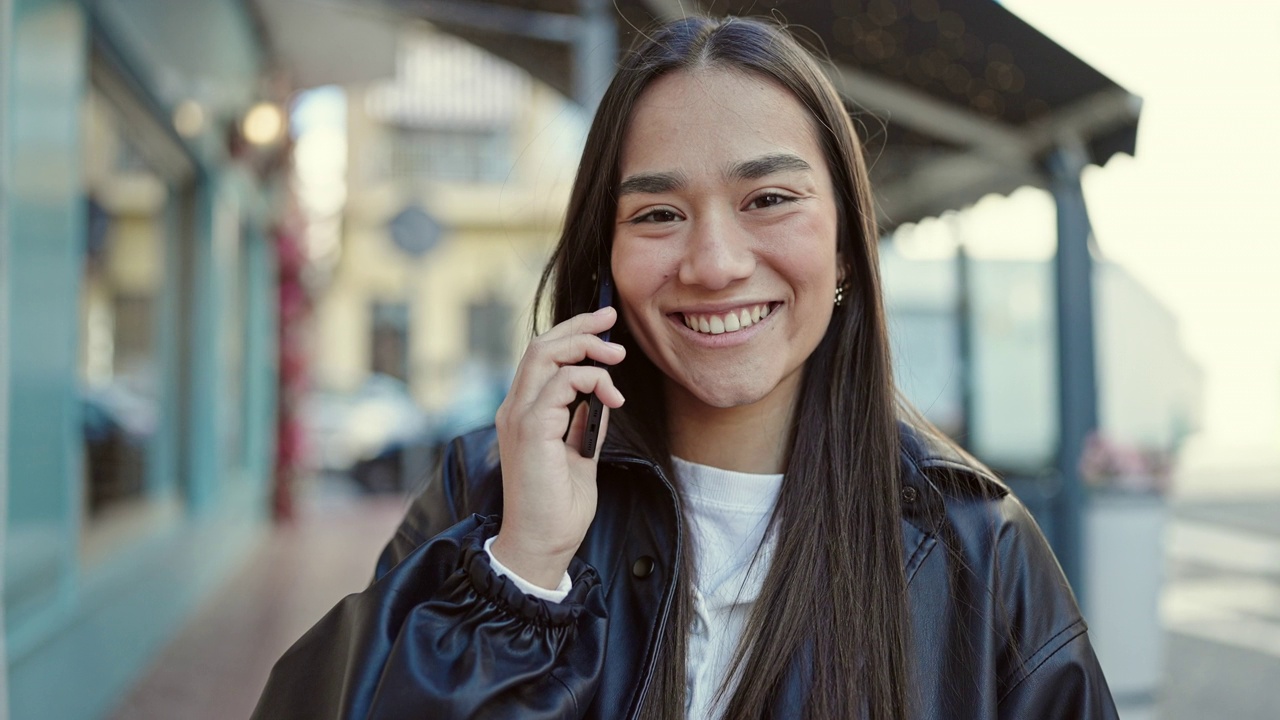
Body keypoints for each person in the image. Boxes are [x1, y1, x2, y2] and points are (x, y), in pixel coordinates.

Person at [253, 15, 1117, 720]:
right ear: (604, 265)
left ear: (849, 244)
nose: (712, 262)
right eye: (659, 213)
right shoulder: (484, 493)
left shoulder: (977, 548)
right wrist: (523, 575)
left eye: (769, 199)